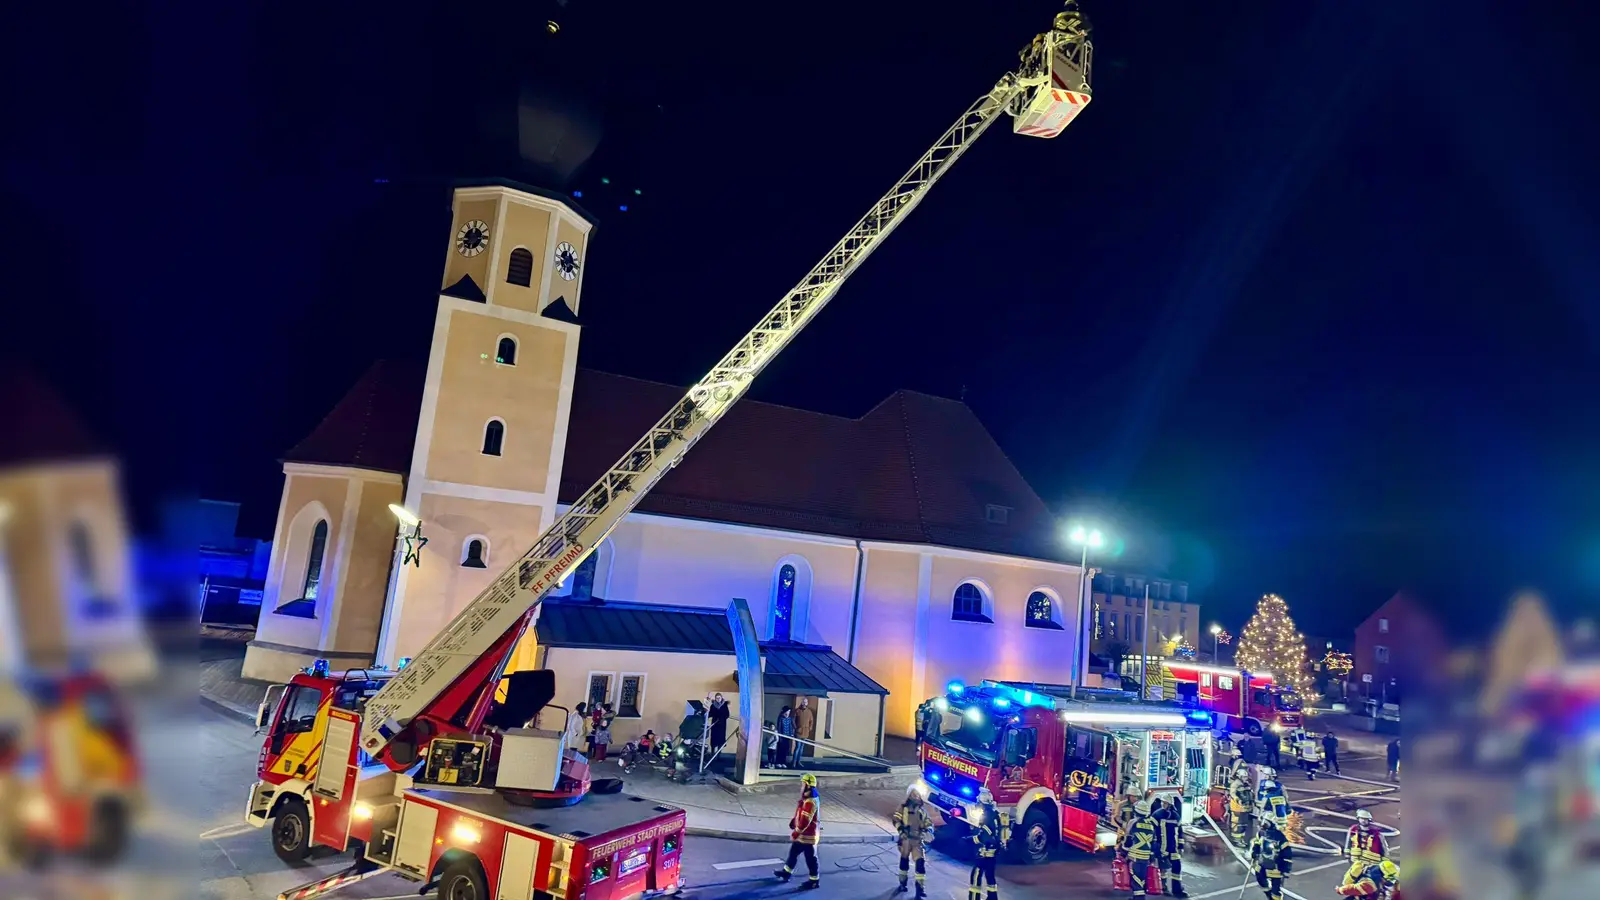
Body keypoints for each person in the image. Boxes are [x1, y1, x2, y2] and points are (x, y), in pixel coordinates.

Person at [774, 772, 821, 890]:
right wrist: (793, 821)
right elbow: (800, 814)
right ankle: (786, 872)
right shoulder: (806, 798)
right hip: (803, 836)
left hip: (808, 837)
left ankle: (814, 881)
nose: (801, 786)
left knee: (811, 859)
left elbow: (805, 821)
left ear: (808, 786)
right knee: (793, 853)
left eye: (803, 784)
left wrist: (795, 833)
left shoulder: (810, 801)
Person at [893, 785, 934, 897]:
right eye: (914, 794)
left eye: (918, 794)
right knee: (904, 861)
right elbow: (896, 819)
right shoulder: (903, 808)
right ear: (909, 795)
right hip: (906, 840)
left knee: (920, 863)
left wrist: (929, 831)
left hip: (917, 841)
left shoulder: (922, 811)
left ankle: (920, 888)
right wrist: (901, 830)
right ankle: (902, 883)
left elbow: (928, 823)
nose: (916, 796)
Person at [969, 788, 1009, 900]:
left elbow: (984, 836)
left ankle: (973, 898)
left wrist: (970, 839)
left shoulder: (986, 816)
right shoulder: (995, 814)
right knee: (990, 876)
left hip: (985, 852)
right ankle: (992, 898)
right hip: (994, 852)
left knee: (976, 874)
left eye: (979, 802)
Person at [1118, 795, 1160, 898]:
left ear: (1136, 811)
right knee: (1141, 879)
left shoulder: (1133, 822)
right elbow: (1153, 843)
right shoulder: (1150, 824)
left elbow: (1128, 841)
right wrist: (1152, 857)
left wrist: (1122, 852)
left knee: (1136, 881)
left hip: (1135, 857)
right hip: (1145, 858)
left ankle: (1139, 898)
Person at [1342, 809, 1388, 890]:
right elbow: (1348, 842)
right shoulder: (1353, 830)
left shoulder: (1377, 834)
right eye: (1361, 818)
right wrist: (1347, 853)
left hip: (1372, 862)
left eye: (1365, 819)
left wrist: (1384, 860)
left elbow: (1384, 847)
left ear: (1369, 820)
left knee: (1373, 880)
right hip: (1356, 860)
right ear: (1358, 819)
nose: (1363, 821)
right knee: (1355, 878)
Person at [1153, 794, 1189, 898]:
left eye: (1165, 803)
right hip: (1162, 848)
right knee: (1163, 869)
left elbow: (1180, 832)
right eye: (1162, 803)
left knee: (1177, 867)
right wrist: (1154, 847)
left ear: (1170, 804)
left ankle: (1177, 889)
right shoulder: (1157, 815)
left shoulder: (1176, 816)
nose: (1163, 804)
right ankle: (1163, 887)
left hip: (1173, 848)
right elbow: (1152, 831)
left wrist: (1181, 847)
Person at [1250, 818, 1294, 900]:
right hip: (1261, 864)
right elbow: (1257, 842)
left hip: (1276, 869)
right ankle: (1269, 895)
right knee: (1261, 881)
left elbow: (1287, 855)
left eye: (1264, 824)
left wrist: (1286, 869)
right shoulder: (1261, 833)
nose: (1262, 826)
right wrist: (1255, 851)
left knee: (1275, 892)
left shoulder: (1280, 838)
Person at [1229, 763, 1255, 846]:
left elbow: (1249, 794)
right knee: (1237, 825)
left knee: (1244, 824)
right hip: (1237, 808)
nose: (1245, 778)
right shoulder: (1235, 784)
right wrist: (1238, 799)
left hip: (1245, 808)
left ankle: (1241, 839)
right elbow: (1232, 793)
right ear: (1239, 776)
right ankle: (1236, 840)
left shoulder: (1246, 784)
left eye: (1246, 777)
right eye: (1244, 777)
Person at [793, 698, 816, 769]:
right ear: (802, 702)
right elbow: (793, 720)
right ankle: (794, 762)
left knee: (802, 748)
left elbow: (811, 721)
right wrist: (796, 728)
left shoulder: (809, 712)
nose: (805, 703)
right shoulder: (797, 711)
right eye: (804, 702)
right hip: (798, 732)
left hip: (805, 732)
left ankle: (798, 761)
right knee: (797, 747)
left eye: (806, 702)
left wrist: (809, 728)